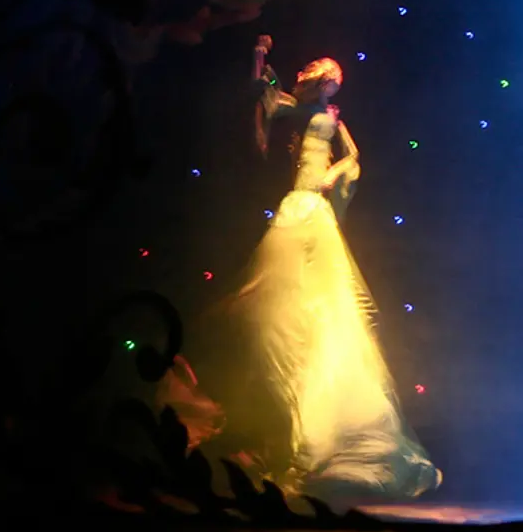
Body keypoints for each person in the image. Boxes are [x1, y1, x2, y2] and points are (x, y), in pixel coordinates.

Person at [157, 34, 441, 505]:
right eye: (327, 82)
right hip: (298, 203)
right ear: (319, 83)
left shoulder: (333, 117)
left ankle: (322, 413)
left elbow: (353, 155)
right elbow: (259, 92)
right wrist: (259, 55)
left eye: (332, 85)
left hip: (316, 206)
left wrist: (335, 173)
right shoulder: (294, 106)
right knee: (277, 291)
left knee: (331, 298)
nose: (329, 89)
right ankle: (281, 399)